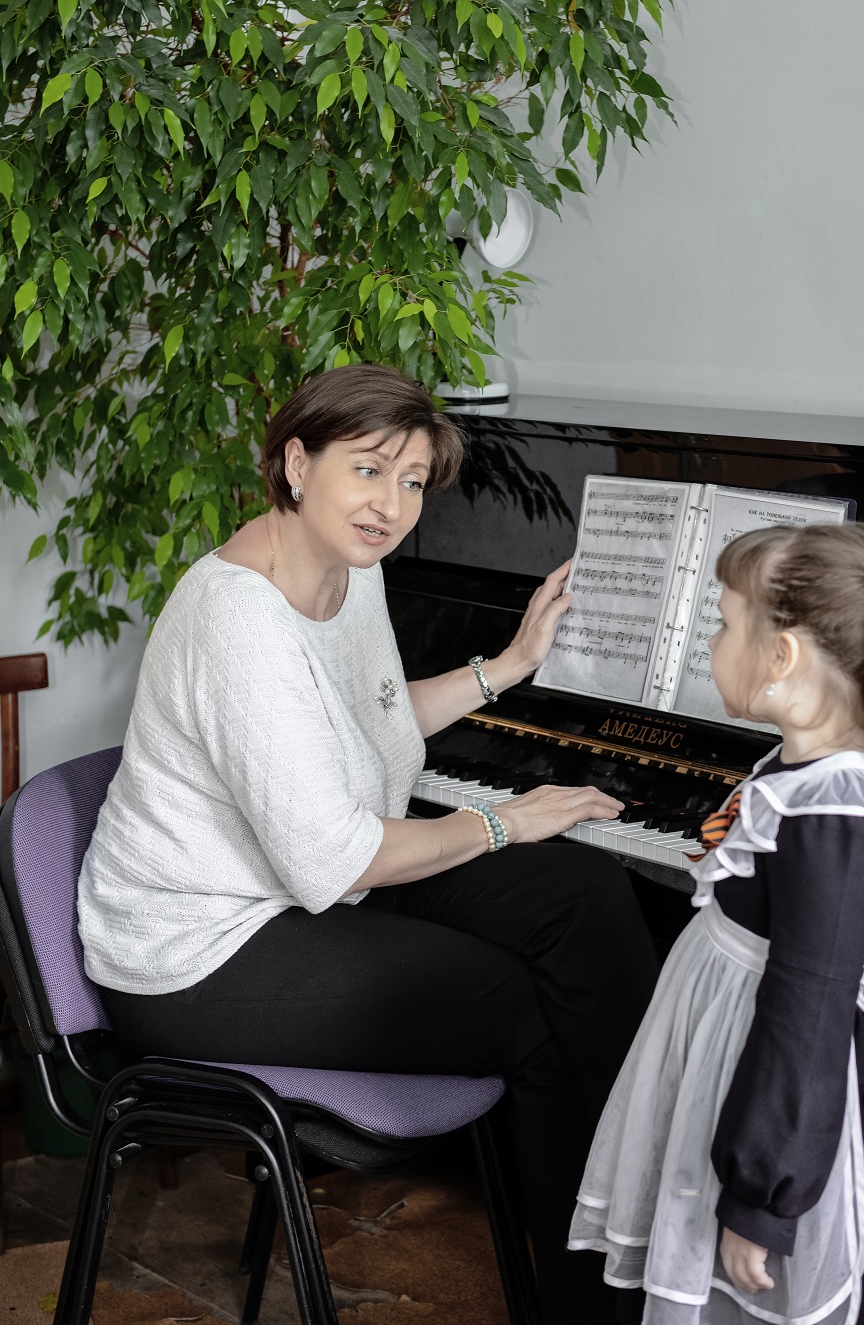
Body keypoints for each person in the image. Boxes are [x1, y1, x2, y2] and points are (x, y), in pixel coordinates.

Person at [77, 363, 659, 1325]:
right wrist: (504, 820)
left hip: (307, 886)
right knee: (525, 1006)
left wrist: (511, 664)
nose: (392, 504)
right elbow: (341, 860)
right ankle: (598, 1304)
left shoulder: (350, 571)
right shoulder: (239, 623)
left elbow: (374, 725)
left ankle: (654, 1199)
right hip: (198, 954)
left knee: (581, 893)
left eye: (413, 480)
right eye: (369, 470)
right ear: (296, 464)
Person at [568, 523, 864, 1325]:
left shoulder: (835, 827)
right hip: (748, 1079)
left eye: (723, 624)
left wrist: (761, 1202)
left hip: (791, 1124)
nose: (711, 644)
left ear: (782, 657)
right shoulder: (813, 775)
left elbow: (809, 1018)